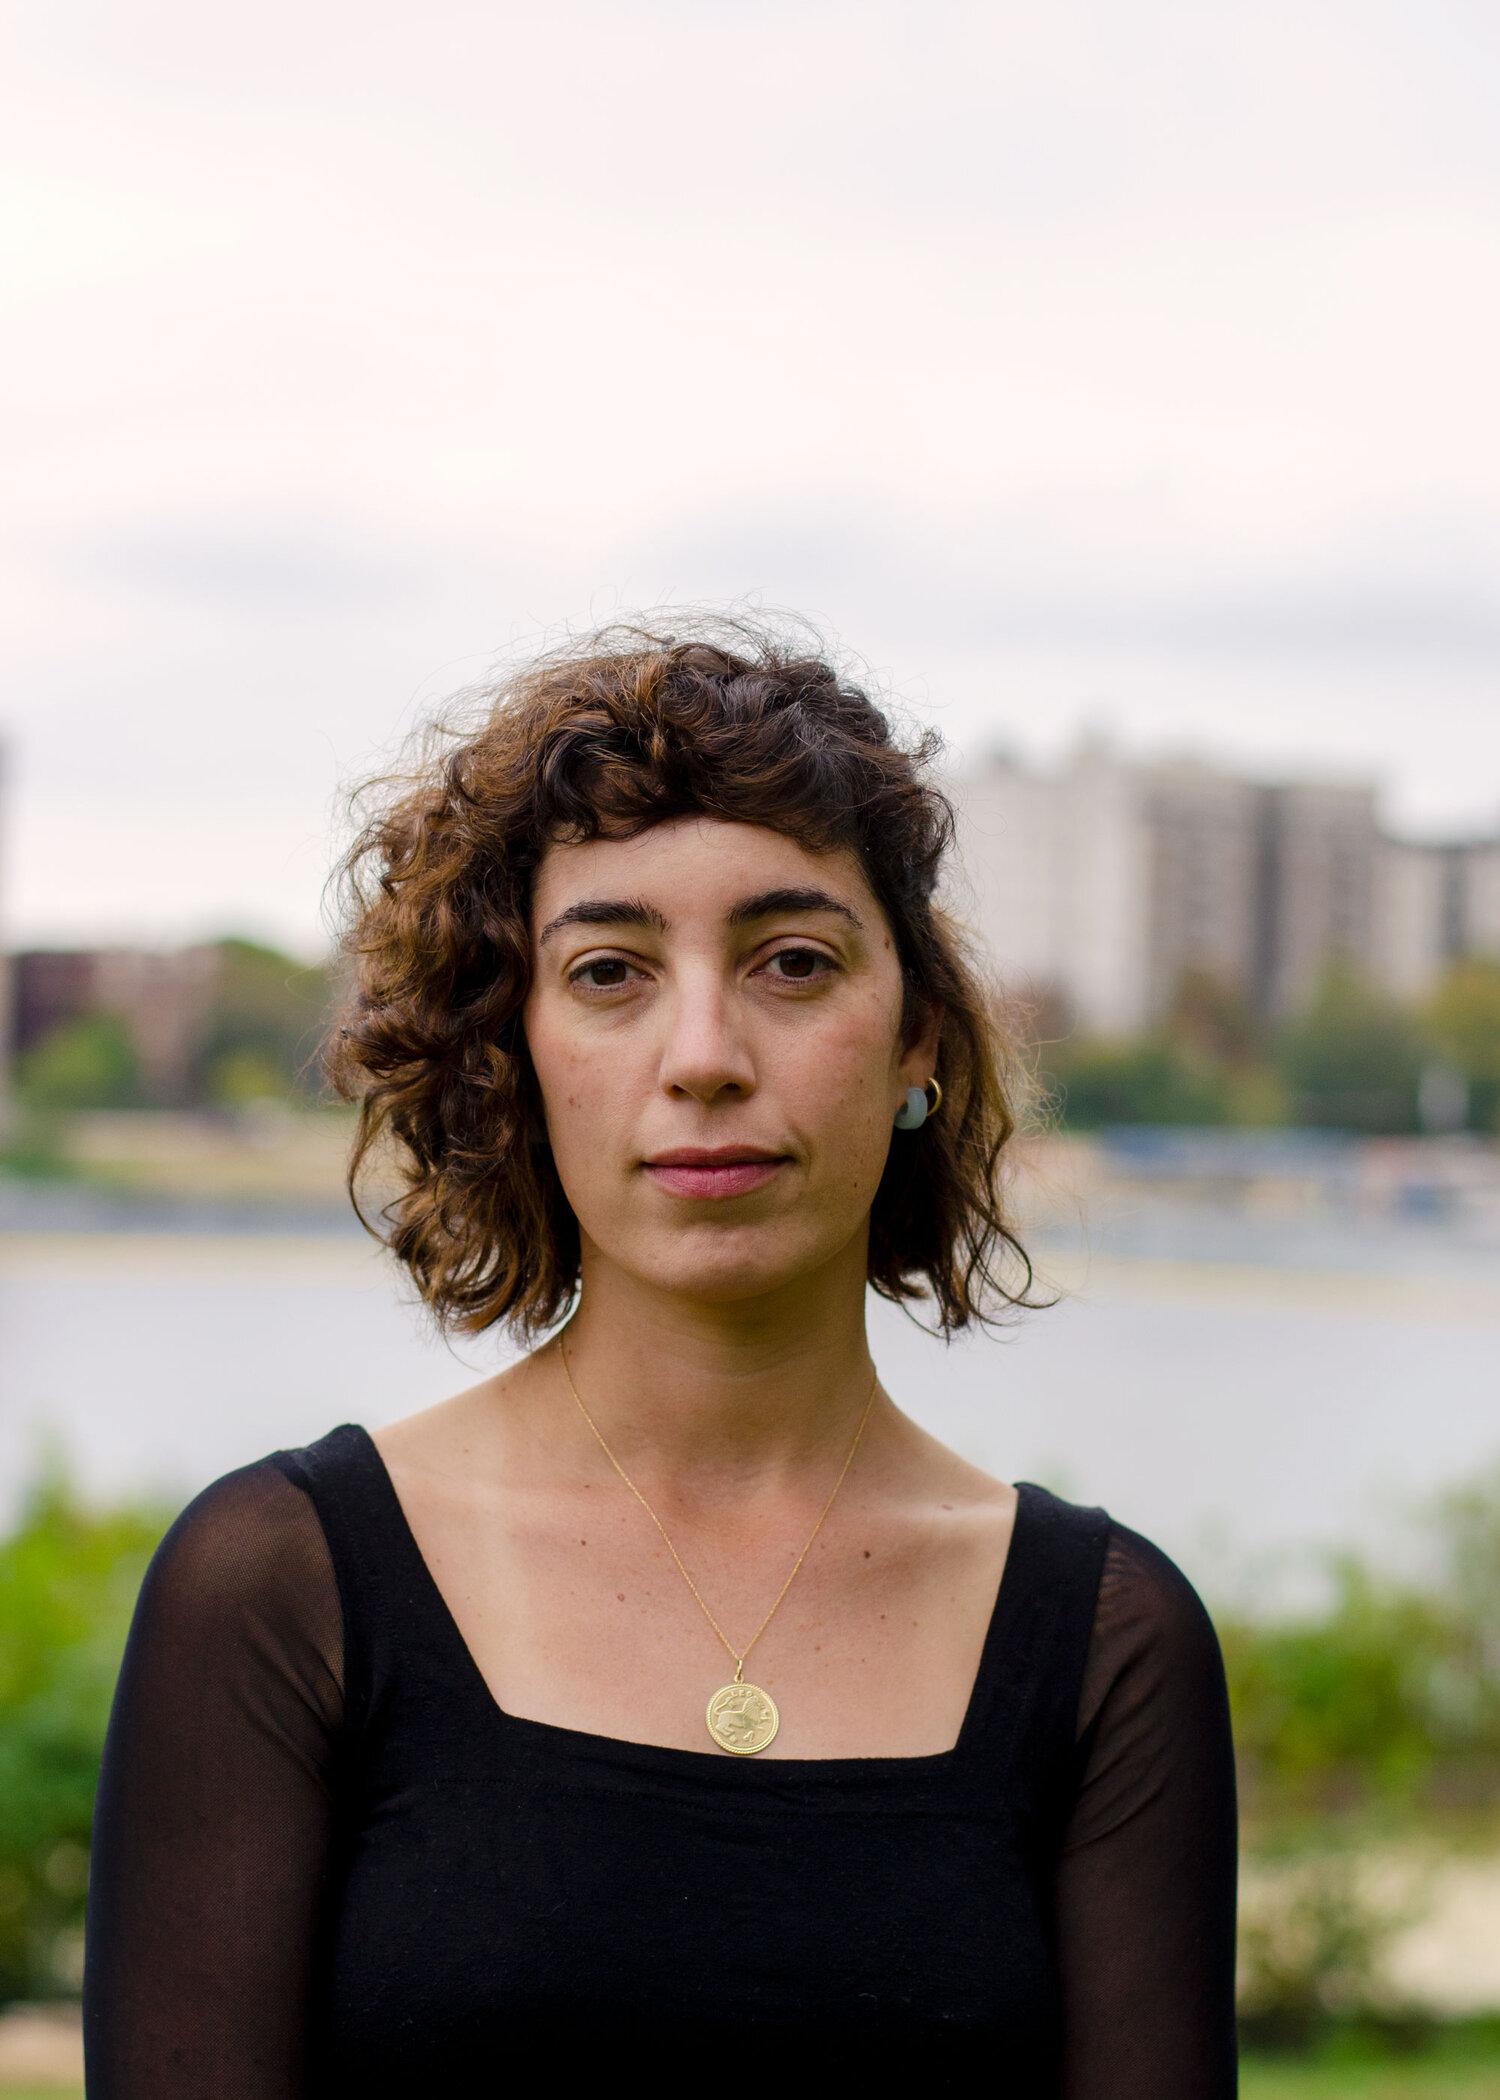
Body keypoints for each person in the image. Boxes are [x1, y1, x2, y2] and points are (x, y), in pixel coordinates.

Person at [81, 614, 1240, 2094]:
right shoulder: (283, 1590)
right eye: (613, 971)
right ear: (516, 1051)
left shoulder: (1105, 1642)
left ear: (918, 1048)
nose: (704, 1053)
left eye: (795, 961)